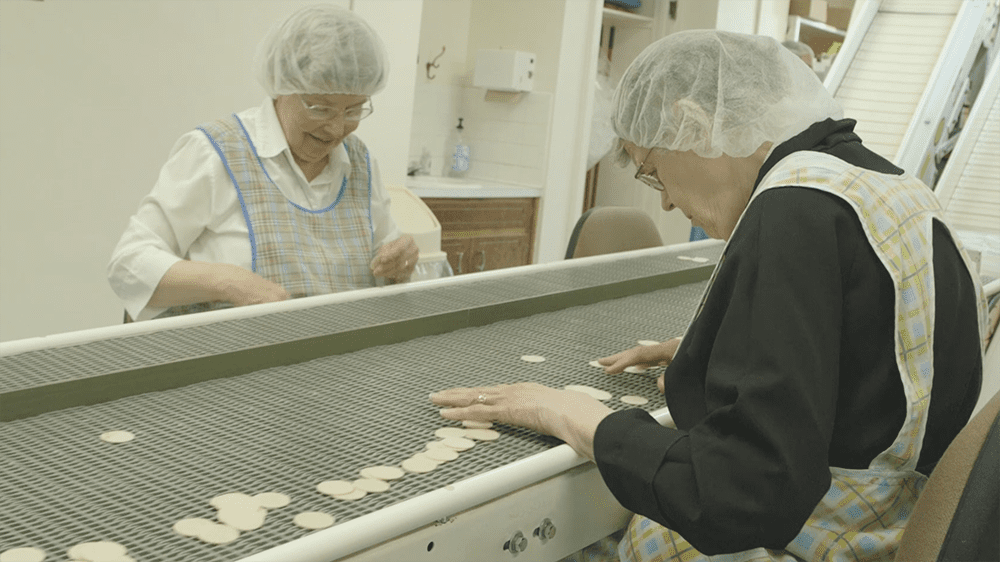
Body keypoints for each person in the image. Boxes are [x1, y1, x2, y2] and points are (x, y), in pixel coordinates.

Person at [431, 30, 987, 561]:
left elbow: (742, 491)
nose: (667, 203)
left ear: (693, 125)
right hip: (899, 521)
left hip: (823, 541)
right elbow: (880, 355)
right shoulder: (890, 186)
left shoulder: (793, 209)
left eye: (653, 174)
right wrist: (737, 348)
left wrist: (577, 416)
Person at [108, 4, 418, 321]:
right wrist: (226, 283)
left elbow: (386, 258)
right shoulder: (215, 152)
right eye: (321, 109)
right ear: (282, 86)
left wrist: (401, 261)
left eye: (353, 110)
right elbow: (129, 264)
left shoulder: (361, 164)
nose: (337, 129)